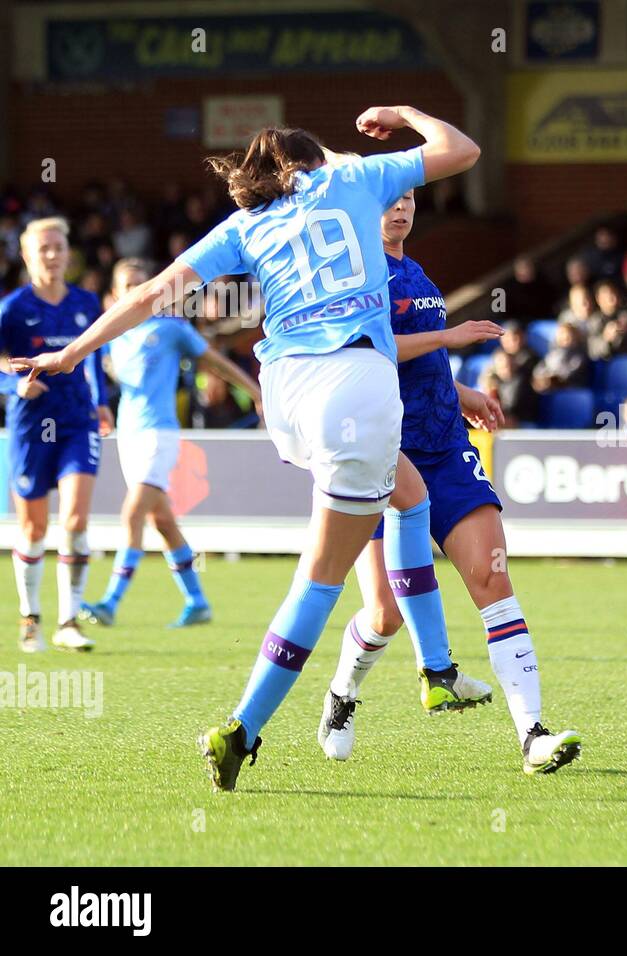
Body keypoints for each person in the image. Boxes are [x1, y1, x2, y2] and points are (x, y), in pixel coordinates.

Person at [15, 106, 491, 792]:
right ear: (311, 164)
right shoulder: (355, 179)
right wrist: (403, 115)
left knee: (407, 493)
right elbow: (462, 149)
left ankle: (437, 665)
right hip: (355, 386)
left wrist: (72, 352)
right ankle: (250, 723)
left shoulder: (246, 225)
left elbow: (152, 293)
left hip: (286, 395)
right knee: (322, 578)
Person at [318, 186, 580, 774]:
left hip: (445, 447)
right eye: (389, 198)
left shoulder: (414, 269)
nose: (401, 206)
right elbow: (369, 352)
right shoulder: (354, 274)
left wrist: (460, 393)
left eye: (409, 196)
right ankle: (342, 696)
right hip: (385, 455)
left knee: (492, 575)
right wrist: (449, 336)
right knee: (383, 615)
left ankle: (532, 737)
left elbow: (421, 363)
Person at [79, 258, 263, 629]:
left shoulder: (170, 328)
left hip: (158, 434)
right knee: (162, 521)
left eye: (139, 284)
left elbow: (214, 361)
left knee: (132, 514)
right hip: (127, 437)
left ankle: (111, 602)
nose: (133, 292)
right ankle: (197, 601)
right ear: (114, 294)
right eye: (126, 286)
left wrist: (255, 392)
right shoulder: (111, 336)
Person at [1, 217, 113, 652]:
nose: (51, 255)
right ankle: (31, 618)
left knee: (75, 520)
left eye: (58, 247)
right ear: (27, 256)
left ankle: (69, 621)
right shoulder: (12, 308)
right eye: (43, 248)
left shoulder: (85, 302)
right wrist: (16, 385)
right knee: (33, 528)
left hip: (76, 421)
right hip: (30, 425)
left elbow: (94, 355)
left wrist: (102, 401)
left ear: (69, 253)